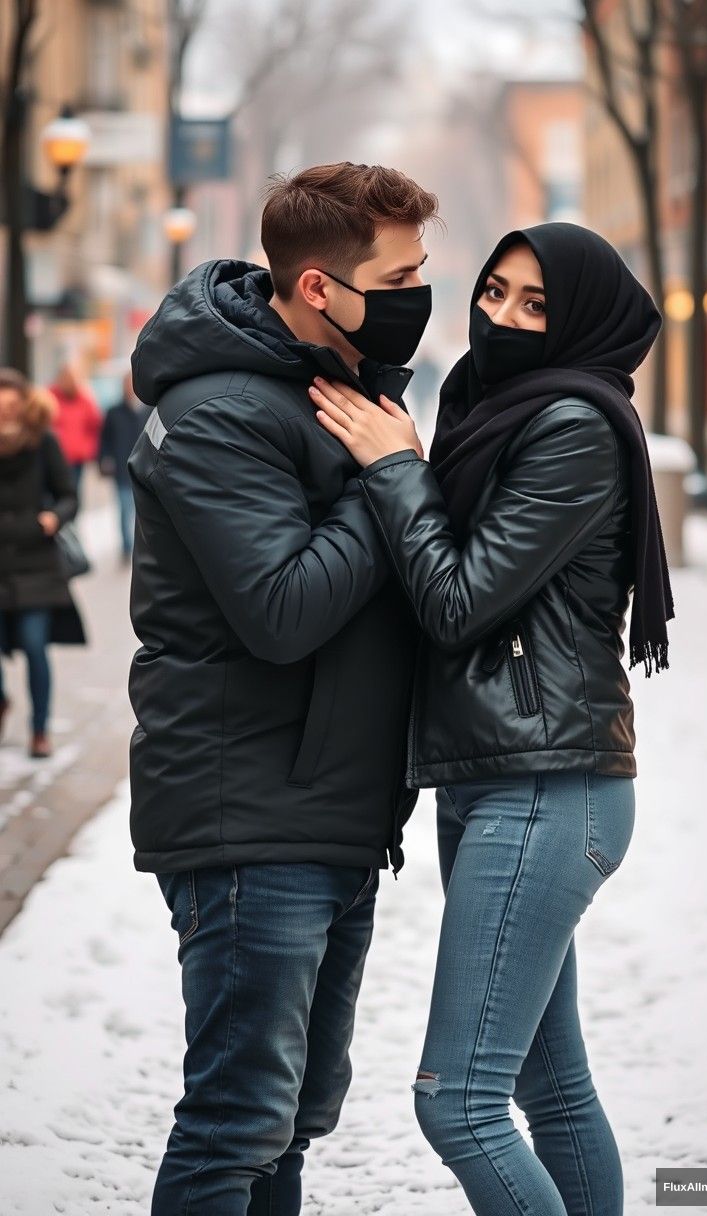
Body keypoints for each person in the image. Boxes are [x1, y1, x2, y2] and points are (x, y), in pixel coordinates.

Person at [311, 222, 674, 1216]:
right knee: (544, 1087)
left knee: (457, 1102)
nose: (499, 317)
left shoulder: (571, 423)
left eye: (534, 305)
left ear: (582, 323)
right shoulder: (496, 407)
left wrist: (396, 469)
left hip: (548, 784)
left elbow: (460, 601)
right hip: (494, 773)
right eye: (493, 292)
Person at [127, 162, 439, 1215]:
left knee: (292, 1119)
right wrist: (387, 478)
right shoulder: (217, 410)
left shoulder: (347, 389)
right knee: (236, 1122)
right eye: (398, 275)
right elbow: (282, 609)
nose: (417, 293)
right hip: (248, 814)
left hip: (328, 811)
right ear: (316, 288)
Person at [0, 368, 86, 759]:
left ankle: (39, 730)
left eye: (11, 407)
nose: (5, 415)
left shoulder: (43, 441)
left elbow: (69, 494)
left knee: (35, 646)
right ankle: (2, 701)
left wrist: (53, 517)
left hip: (35, 561)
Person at [98, 371, 150, 562]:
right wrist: (104, 460)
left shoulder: (149, 410)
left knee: (142, 511)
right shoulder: (113, 412)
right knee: (123, 509)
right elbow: (104, 440)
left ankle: (141, 547)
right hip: (121, 468)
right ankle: (127, 548)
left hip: (144, 470)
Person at [49, 360, 102, 503]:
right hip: (55, 456)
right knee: (53, 493)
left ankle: (72, 523)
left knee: (73, 493)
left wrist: (87, 448)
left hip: (76, 458)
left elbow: (95, 426)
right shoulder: (51, 397)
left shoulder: (84, 399)